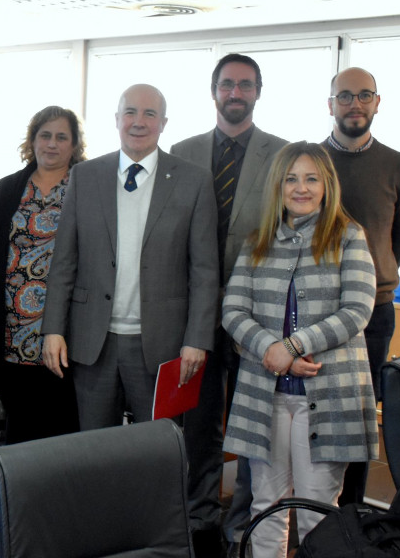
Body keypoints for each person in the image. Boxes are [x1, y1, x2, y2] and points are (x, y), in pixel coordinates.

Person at [222, 142, 379, 558]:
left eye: (311, 178)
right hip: (266, 397)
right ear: (279, 186)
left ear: (327, 184)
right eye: (291, 178)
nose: (301, 188)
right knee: (265, 507)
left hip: (327, 399)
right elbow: (233, 310)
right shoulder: (258, 241)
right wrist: (270, 348)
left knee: (319, 514)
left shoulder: (348, 236)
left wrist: (292, 345)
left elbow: (357, 310)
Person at [41, 84, 217, 431]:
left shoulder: (193, 181)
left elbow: (204, 272)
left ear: (163, 123)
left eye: (149, 114)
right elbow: (64, 261)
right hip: (95, 342)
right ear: (117, 119)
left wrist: (197, 339)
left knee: (158, 451)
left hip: (163, 347)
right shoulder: (85, 176)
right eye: (131, 113)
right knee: (96, 449)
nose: (139, 122)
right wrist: (53, 330)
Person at [171, 53, 288, 556]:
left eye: (244, 85)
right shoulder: (181, 151)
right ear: (213, 91)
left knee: (252, 419)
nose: (235, 93)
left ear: (258, 92)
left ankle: (243, 519)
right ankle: (197, 513)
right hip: (193, 311)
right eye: (227, 85)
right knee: (196, 418)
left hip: (256, 314)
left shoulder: (282, 155)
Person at [324, 67, 400, 505]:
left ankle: (351, 513)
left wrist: (372, 275)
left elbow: (399, 240)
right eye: (345, 96)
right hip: (317, 308)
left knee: (360, 416)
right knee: (315, 410)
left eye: (364, 96)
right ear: (331, 105)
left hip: (375, 310)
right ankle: (311, 504)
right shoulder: (310, 162)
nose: (354, 104)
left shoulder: (399, 164)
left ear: (378, 102)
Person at [0, 105, 84, 444]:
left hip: (66, 328)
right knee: (20, 421)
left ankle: (57, 495)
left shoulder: (87, 187)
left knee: (61, 422)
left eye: (61, 137)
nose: (52, 144)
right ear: (33, 141)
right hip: (13, 329)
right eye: (45, 135)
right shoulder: (10, 188)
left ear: (74, 144)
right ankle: (19, 493)